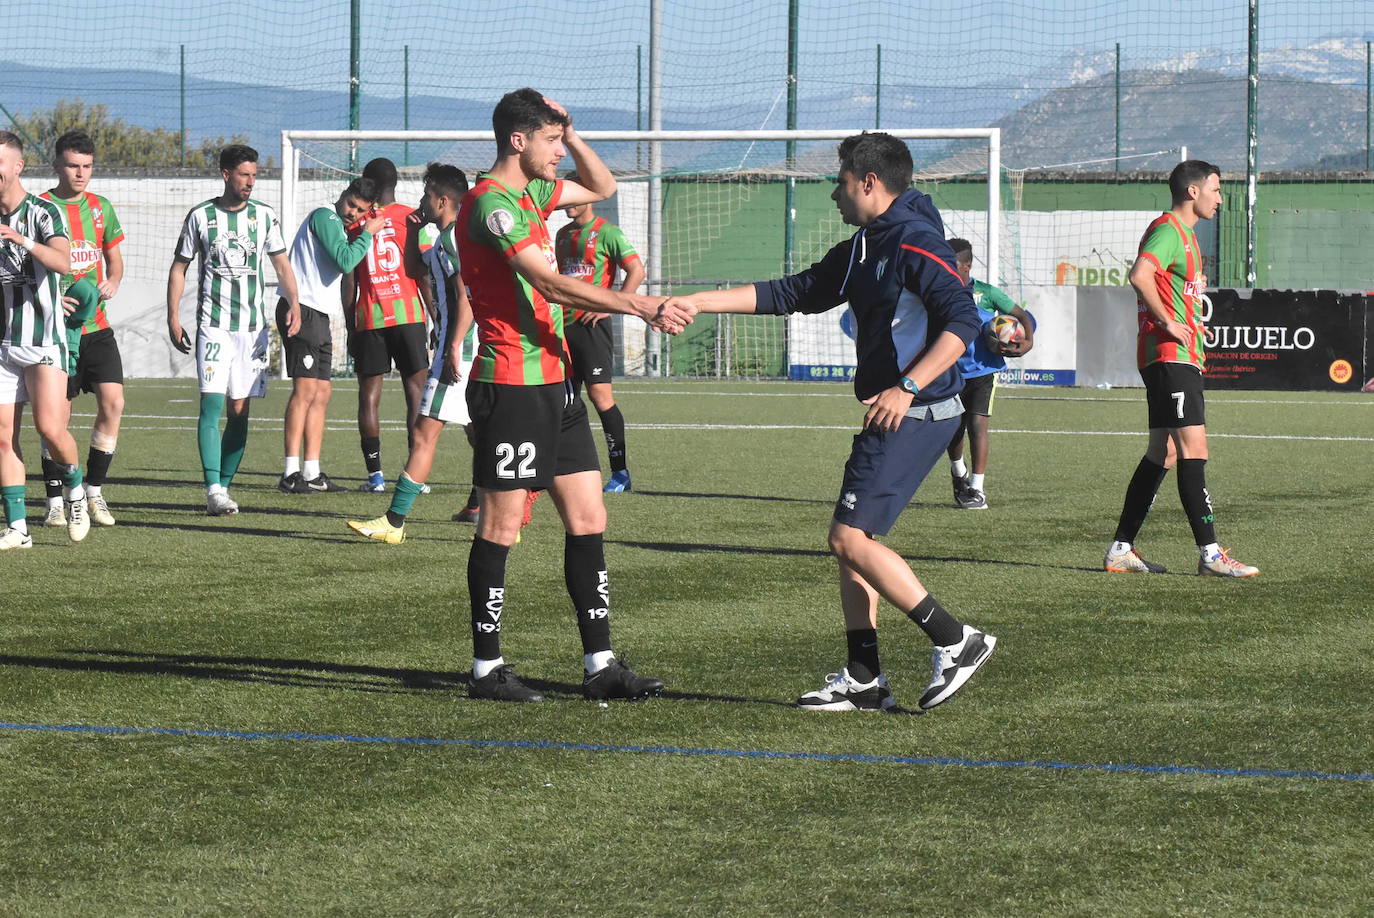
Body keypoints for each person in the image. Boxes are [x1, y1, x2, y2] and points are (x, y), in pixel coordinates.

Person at [677, 131, 997, 712]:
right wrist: (702, 301)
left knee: (847, 537)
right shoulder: (867, 244)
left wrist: (905, 388)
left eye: (841, 180)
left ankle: (956, 639)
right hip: (894, 411)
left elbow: (963, 322)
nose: (834, 194)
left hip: (915, 412)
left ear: (869, 183)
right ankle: (864, 677)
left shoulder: (914, 241)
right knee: (855, 544)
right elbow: (796, 291)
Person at [455, 88, 690, 703]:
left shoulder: (535, 192)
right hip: (510, 386)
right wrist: (636, 303)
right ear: (518, 140)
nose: (561, 154)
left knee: (589, 517)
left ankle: (601, 664)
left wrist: (573, 131)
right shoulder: (491, 204)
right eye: (552, 142)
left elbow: (604, 185)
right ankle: (486, 669)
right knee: (503, 525)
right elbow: (548, 282)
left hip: (557, 386)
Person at [1104, 160, 1259, 578]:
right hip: (1170, 355)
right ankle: (1210, 555)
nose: (1220, 198)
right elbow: (1140, 275)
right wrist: (1169, 321)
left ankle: (1120, 549)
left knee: (1165, 451)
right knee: (1194, 449)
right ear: (1193, 191)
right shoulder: (1169, 230)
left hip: (1175, 356)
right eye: (1217, 189)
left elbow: (1165, 284)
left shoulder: (1185, 236)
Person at [167, 144, 299, 516]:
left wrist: (295, 305)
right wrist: (173, 316)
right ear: (226, 174)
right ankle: (212, 488)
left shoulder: (265, 216)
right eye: (244, 175)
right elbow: (179, 268)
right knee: (211, 403)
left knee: (239, 410)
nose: (250, 182)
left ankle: (223, 490)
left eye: (254, 175)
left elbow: (282, 266)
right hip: (214, 326)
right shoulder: (200, 217)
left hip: (253, 330)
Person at [348, 163, 474, 542]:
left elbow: (466, 296)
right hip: (461, 348)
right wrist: (414, 230)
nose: (420, 201)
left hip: (459, 351)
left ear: (443, 200)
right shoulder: (442, 240)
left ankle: (394, 522)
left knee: (423, 433)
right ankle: (496, 510)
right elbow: (412, 267)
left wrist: (452, 344)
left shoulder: (454, 241)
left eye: (425, 194)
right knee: (478, 432)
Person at [0, 130, 88, 549]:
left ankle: (75, 492)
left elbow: (63, 260)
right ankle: (18, 528)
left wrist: (22, 240)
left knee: (51, 428)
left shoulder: (42, 212)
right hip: (3, 343)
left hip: (43, 340)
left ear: (17, 167)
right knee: (3, 438)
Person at [38, 130, 126, 528]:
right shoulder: (39, 208)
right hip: (56, 331)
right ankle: (56, 499)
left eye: (87, 166)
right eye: (73, 165)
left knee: (114, 404)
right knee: (59, 419)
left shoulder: (100, 207)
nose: (80, 173)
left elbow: (114, 259)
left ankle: (94, 490)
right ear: (57, 165)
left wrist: (113, 282)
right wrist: (55, 300)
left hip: (98, 327)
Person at [277, 178, 385, 494]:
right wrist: (368, 232)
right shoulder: (325, 216)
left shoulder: (341, 225)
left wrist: (365, 228)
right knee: (305, 389)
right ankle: (290, 472)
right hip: (302, 309)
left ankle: (311, 472)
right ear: (342, 196)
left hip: (319, 314)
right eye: (351, 204)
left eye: (361, 210)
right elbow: (346, 260)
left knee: (322, 392)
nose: (353, 212)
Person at [342, 157, 429, 493]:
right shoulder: (411, 217)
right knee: (416, 394)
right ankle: (414, 476)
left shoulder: (357, 220)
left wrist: (350, 325)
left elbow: (349, 280)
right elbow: (420, 272)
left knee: (369, 396)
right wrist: (435, 317)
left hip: (370, 316)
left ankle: (375, 476)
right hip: (409, 315)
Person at [555, 183, 645, 492]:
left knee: (600, 396)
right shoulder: (562, 235)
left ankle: (620, 473)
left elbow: (636, 271)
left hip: (592, 328)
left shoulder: (608, 232)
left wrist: (612, 306)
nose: (567, 203)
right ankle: (564, 471)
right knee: (562, 399)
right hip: (561, 327)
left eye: (572, 197)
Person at [943, 237, 1035, 510]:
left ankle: (977, 487)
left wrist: (1027, 341)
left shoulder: (987, 293)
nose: (946, 269)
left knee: (978, 425)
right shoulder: (939, 292)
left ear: (967, 266)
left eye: (953, 265)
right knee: (953, 428)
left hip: (985, 371)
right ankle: (958, 471)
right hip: (949, 370)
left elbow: (1022, 315)